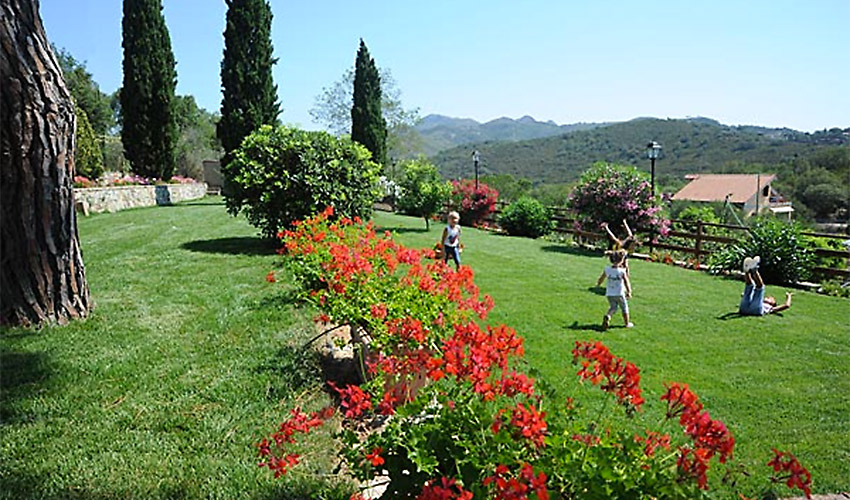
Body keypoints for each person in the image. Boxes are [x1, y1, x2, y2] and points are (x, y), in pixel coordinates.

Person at [596, 250, 633, 330]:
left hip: (609, 293)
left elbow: (601, 278)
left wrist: (598, 284)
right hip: (619, 293)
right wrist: (629, 292)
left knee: (613, 307)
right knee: (624, 308)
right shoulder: (622, 271)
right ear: (621, 260)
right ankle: (627, 323)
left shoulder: (607, 269)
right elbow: (627, 282)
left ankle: (608, 316)